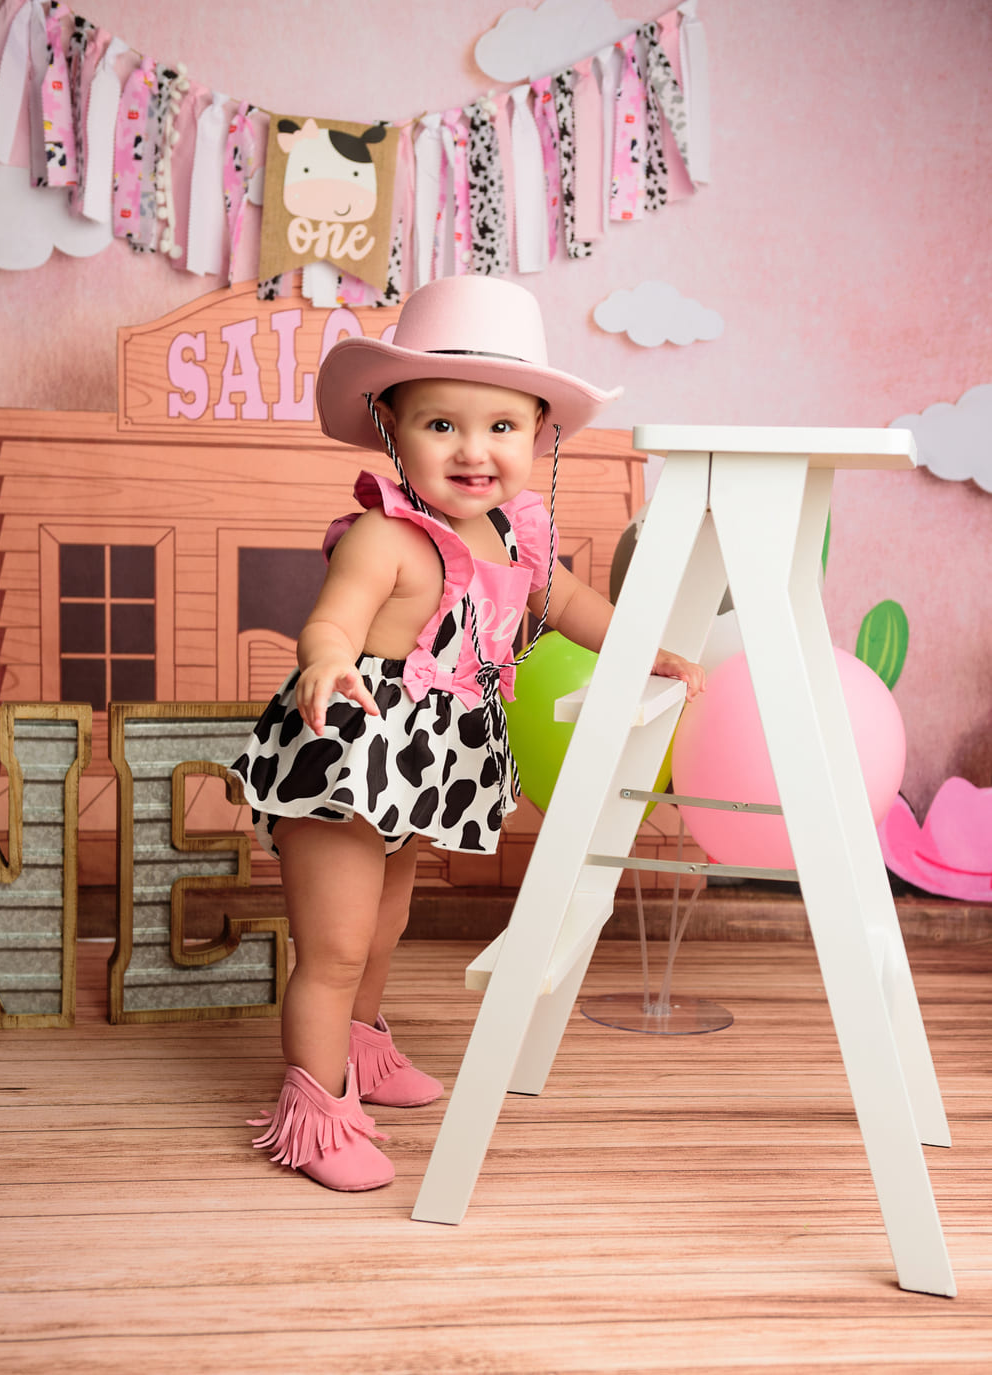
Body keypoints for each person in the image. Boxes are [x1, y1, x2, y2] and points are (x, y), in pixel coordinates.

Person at [231, 275, 705, 1192]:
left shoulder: (514, 536)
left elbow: (566, 602)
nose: (473, 449)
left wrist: (643, 648)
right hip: (353, 748)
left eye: (500, 427)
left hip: (426, 762)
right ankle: (314, 1108)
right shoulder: (386, 534)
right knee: (332, 943)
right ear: (392, 429)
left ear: (537, 434)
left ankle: (363, 1050)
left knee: (385, 925)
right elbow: (332, 620)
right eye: (441, 424)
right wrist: (328, 659)